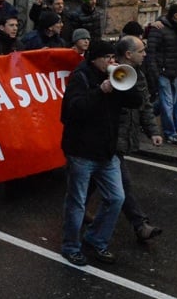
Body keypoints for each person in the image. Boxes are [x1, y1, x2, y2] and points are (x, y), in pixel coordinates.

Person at [59, 38, 139, 266]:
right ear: (95, 58)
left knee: (116, 198)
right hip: (81, 151)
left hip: (106, 151)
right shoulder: (81, 77)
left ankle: (96, 238)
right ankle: (71, 246)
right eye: (108, 58)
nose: (112, 62)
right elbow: (71, 111)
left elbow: (137, 101)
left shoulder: (114, 77)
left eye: (114, 58)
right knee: (77, 203)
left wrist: (126, 83)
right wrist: (99, 92)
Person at [111, 35, 163, 242]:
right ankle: (140, 225)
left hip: (124, 138)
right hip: (111, 140)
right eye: (141, 51)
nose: (145, 54)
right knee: (122, 184)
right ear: (128, 54)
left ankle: (77, 212)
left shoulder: (138, 75)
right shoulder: (114, 73)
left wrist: (153, 131)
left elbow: (145, 106)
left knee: (95, 183)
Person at [146, 2, 177, 146]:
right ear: (176, 15)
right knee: (167, 104)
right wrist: (156, 72)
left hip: (175, 71)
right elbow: (151, 52)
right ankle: (170, 133)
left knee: (176, 101)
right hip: (164, 71)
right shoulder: (159, 29)